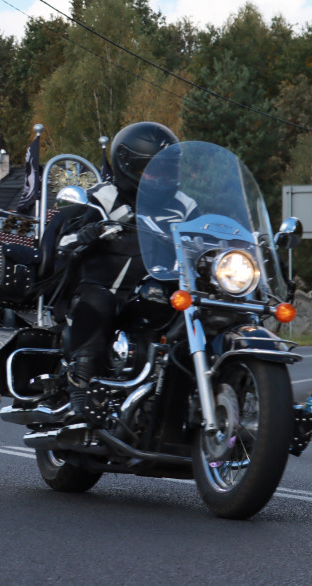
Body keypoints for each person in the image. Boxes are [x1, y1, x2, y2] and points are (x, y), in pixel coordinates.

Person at [56, 121, 193, 423]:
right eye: (154, 170)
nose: (165, 177)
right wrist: (87, 232)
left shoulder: (184, 204)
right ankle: (80, 391)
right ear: (128, 166)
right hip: (109, 290)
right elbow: (64, 240)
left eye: (170, 169)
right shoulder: (103, 198)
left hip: (162, 288)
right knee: (99, 302)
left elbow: (208, 233)